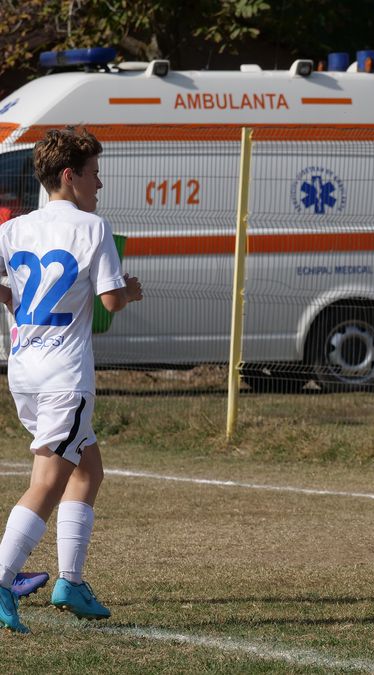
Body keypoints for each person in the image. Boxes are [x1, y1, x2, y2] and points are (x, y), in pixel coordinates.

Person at [0, 126, 143, 633]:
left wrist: (12, 298)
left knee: (88, 470)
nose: (99, 184)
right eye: (93, 173)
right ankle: (2, 579)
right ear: (69, 175)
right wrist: (129, 290)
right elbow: (110, 302)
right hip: (64, 374)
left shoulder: (14, 228)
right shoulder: (93, 227)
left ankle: (71, 582)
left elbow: (9, 289)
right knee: (47, 482)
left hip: (24, 370)